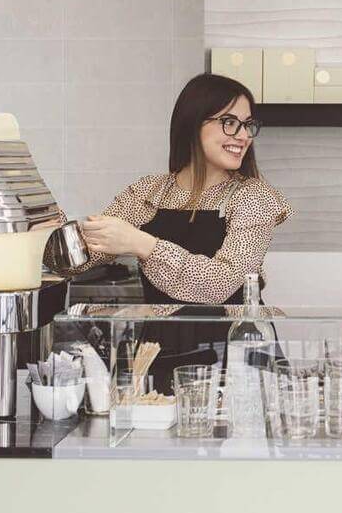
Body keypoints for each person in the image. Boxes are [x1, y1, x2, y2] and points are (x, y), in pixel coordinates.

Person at [50, 73, 292, 387]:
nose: (243, 135)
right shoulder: (147, 193)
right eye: (230, 122)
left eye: (247, 125)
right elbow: (77, 261)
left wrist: (142, 244)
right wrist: (48, 222)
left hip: (236, 355)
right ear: (192, 123)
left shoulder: (253, 197)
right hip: (160, 353)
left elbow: (219, 285)